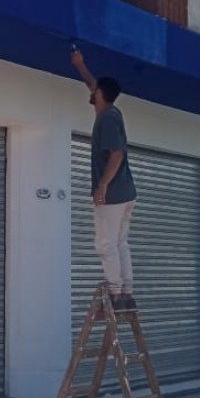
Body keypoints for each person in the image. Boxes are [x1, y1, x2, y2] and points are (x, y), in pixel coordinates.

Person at [71, 47, 138, 310]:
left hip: (113, 194)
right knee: (120, 242)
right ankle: (126, 292)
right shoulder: (112, 112)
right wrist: (80, 65)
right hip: (126, 193)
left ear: (99, 94)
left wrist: (102, 185)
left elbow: (117, 154)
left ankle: (116, 294)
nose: (91, 91)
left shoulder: (107, 119)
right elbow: (92, 83)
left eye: (94, 90)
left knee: (105, 243)